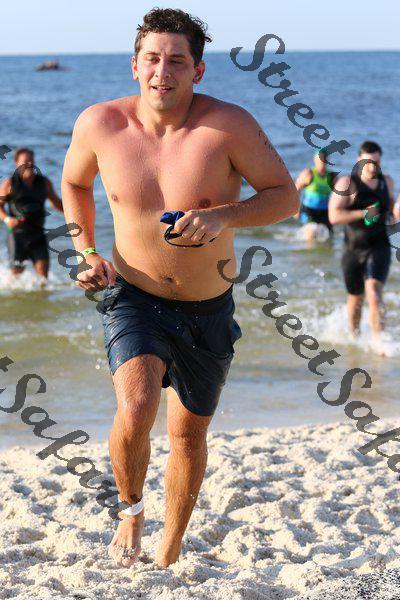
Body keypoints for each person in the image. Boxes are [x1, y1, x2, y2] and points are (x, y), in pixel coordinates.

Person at [61, 8, 298, 569]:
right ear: (134, 65)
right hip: (133, 295)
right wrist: (86, 253)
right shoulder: (100, 124)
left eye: (176, 61)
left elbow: (285, 197)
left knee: (188, 435)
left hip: (207, 305)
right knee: (136, 404)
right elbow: (73, 182)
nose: (162, 72)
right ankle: (131, 510)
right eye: (152, 59)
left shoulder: (228, 126)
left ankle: (170, 547)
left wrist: (223, 216)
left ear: (198, 70)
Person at [329, 141, 394, 355]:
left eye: (376, 162)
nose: (372, 167)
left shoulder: (387, 182)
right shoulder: (347, 183)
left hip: (379, 246)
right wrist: (364, 213)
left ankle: (379, 341)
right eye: (368, 162)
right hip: (353, 248)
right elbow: (334, 216)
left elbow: (391, 212)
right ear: (359, 160)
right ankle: (354, 337)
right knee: (355, 298)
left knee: (374, 292)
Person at [0, 147, 63, 282]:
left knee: (43, 276)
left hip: (37, 234)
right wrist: (7, 219)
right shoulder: (9, 184)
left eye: (31, 160)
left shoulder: (44, 182)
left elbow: (57, 203)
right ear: (17, 163)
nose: (29, 164)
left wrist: (75, 213)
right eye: (25, 161)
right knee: (16, 276)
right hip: (17, 236)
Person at [295, 149, 335, 241]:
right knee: (311, 235)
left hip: (325, 211)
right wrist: (296, 210)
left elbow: (339, 195)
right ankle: (309, 250)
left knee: (329, 237)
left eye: (324, 158)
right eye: (319, 159)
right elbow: (296, 190)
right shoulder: (309, 174)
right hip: (309, 210)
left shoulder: (331, 176)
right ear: (314, 160)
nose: (322, 161)